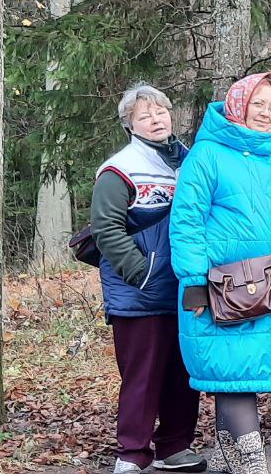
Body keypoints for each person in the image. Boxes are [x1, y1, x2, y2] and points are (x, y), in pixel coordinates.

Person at [170, 72, 271, 474]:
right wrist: (194, 284)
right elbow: (186, 224)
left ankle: (225, 458)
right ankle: (252, 463)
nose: (266, 113)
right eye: (257, 104)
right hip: (219, 290)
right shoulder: (207, 156)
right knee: (229, 371)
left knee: (238, 375)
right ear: (238, 105)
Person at [92, 83, 205, 474]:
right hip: (140, 293)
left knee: (182, 372)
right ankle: (132, 452)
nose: (156, 120)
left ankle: (174, 447)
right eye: (145, 115)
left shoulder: (191, 161)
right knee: (142, 375)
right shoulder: (119, 168)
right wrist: (143, 274)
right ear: (130, 124)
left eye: (160, 111)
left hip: (186, 287)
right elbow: (106, 229)